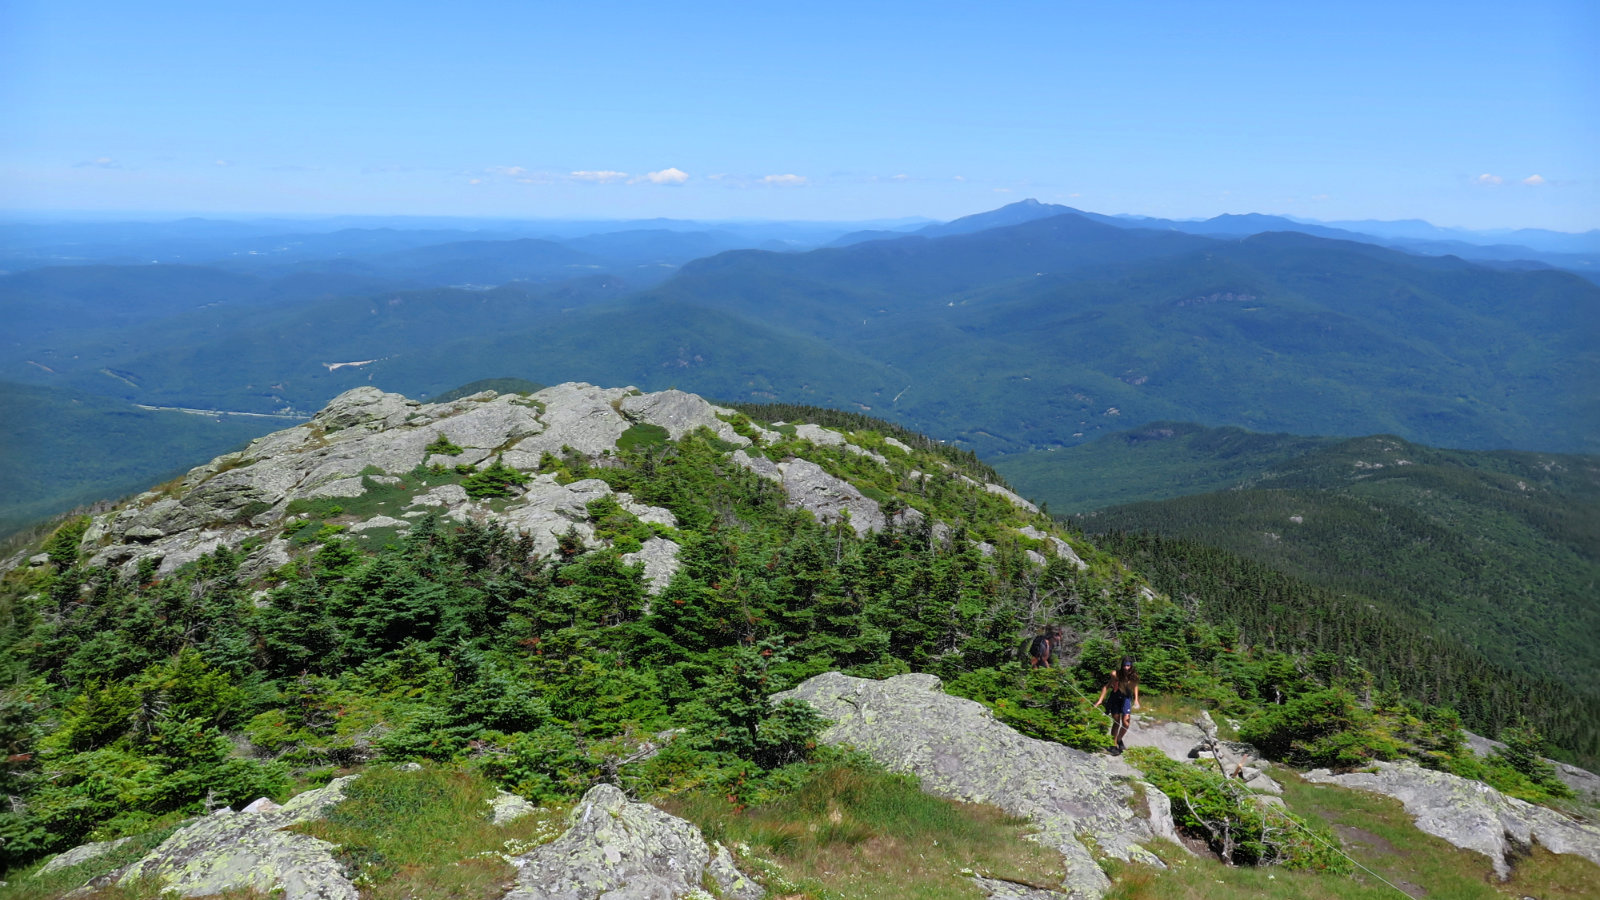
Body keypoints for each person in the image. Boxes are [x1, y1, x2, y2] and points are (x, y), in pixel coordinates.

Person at [1095, 657, 1140, 753]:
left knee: (1126, 722)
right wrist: (1100, 700)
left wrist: (1136, 700)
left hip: (1126, 698)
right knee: (1116, 722)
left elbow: (1135, 686)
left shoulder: (1134, 676)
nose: (1125, 668)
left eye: (1128, 666)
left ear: (1131, 666)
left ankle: (1119, 739)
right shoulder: (1115, 674)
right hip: (1115, 698)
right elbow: (1106, 686)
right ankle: (1113, 745)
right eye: (1124, 665)